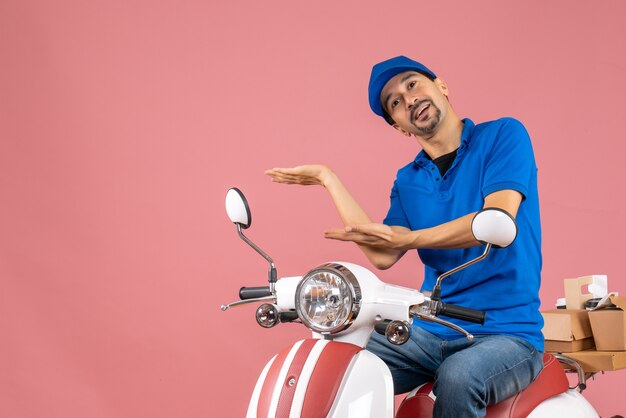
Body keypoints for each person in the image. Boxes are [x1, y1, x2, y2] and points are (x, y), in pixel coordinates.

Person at [265, 55, 544, 418]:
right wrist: (327, 178)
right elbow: (383, 252)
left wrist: (408, 240)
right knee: (338, 363)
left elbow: (497, 219)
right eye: (394, 102)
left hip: (507, 332)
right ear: (398, 126)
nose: (408, 99)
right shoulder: (408, 179)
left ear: (441, 86)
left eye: (412, 85)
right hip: (432, 329)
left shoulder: (503, 135)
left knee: (459, 377)